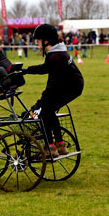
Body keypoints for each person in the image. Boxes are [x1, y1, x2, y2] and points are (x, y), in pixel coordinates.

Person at [23, 24, 84, 158]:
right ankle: (60, 145)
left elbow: (52, 85)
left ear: (46, 41)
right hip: (71, 85)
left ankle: (50, 148)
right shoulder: (56, 53)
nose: (36, 41)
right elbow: (46, 68)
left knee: (45, 111)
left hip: (69, 87)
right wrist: (27, 70)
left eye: (38, 39)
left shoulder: (56, 56)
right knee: (49, 110)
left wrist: (40, 102)